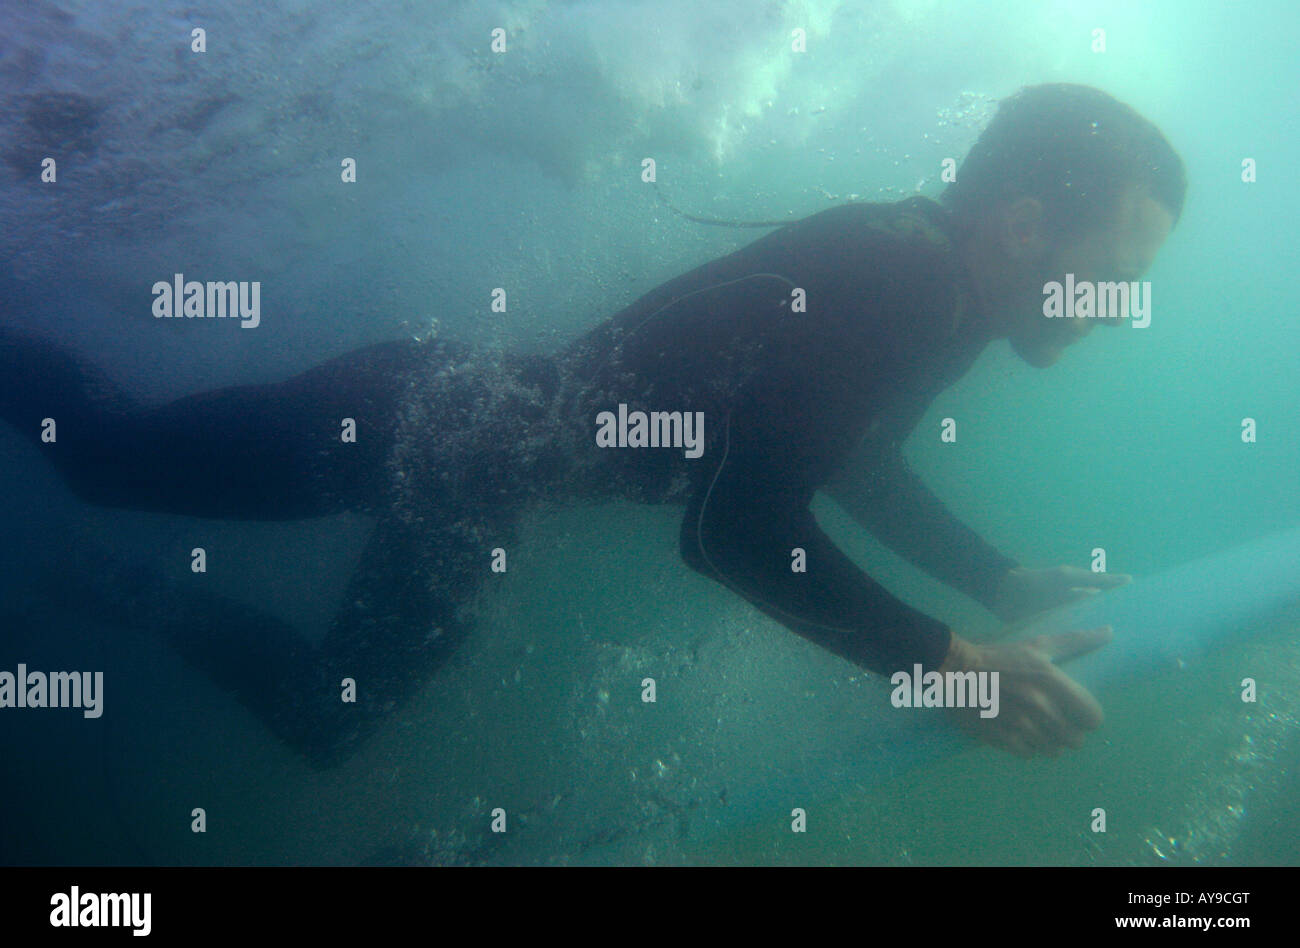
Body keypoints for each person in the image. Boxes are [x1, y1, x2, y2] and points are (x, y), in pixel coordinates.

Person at [0, 83, 1185, 767]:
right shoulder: (899, 275)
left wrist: (997, 575)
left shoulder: (944, 305)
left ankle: (123, 590)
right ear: (1023, 226)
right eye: (1118, 270)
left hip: (472, 482)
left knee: (328, 718)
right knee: (101, 454)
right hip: (407, 418)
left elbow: (846, 459)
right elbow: (732, 528)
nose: (1122, 308)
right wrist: (946, 663)